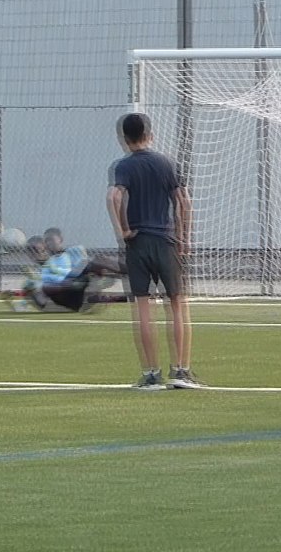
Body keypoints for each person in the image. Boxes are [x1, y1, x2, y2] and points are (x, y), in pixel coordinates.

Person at [107, 112, 202, 390]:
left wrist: (123, 231)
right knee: (177, 305)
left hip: (137, 243)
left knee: (143, 308)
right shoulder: (167, 163)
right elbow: (183, 202)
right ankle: (181, 371)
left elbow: (114, 196)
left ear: (124, 139)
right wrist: (183, 237)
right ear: (151, 135)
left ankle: (151, 374)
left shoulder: (122, 167)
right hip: (166, 241)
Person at [0, 230, 128, 313]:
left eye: (39, 249)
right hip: (66, 298)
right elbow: (34, 303)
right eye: (32, 251)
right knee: (40, 286)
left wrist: (107, 275)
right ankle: (99, 298)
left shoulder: (64, 258)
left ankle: (134, 273)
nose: (37, 253)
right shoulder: (34, 275)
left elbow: (85, 267)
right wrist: (11, 300)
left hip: (79, 287)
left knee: (98, 260)